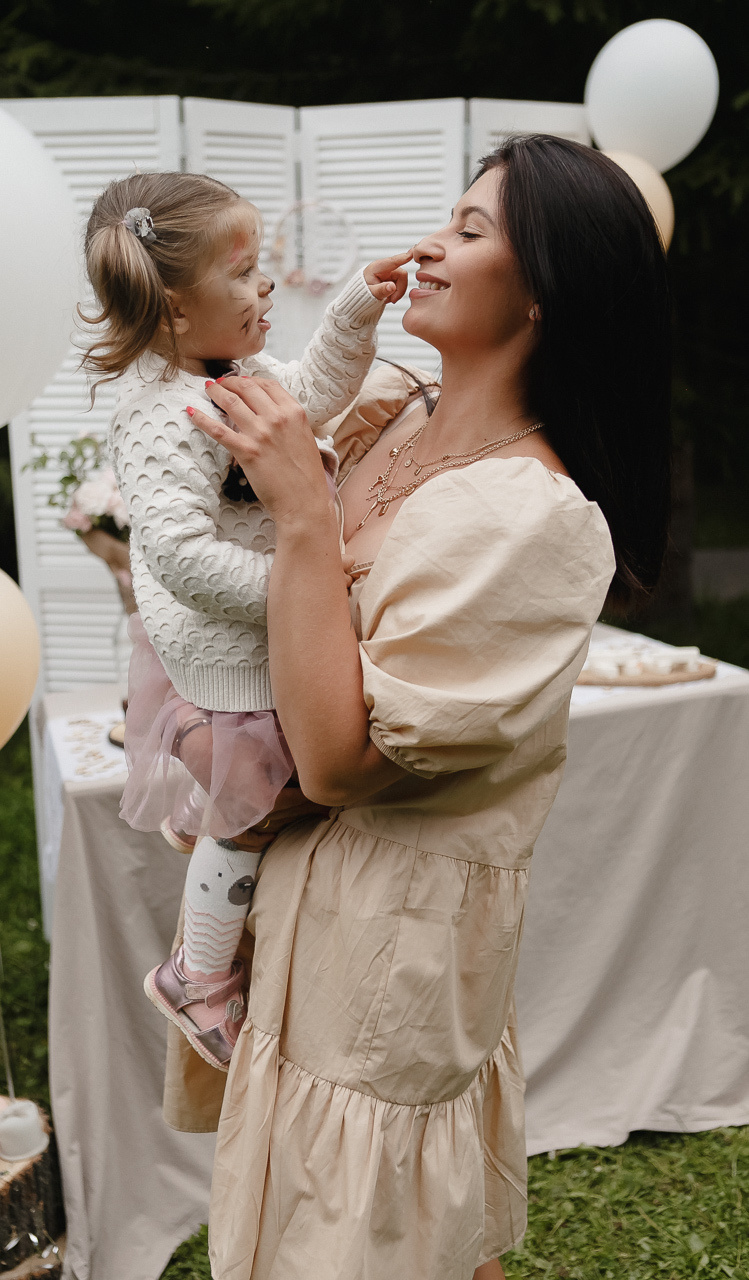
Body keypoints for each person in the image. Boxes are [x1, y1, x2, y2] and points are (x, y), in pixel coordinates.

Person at [174, 134, 671, 1280]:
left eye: (468, 230)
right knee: (363, 1223)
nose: (429, 250)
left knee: (369, 1227)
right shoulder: (392, 413)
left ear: (544, 292)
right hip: (304, 900)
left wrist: (306, 515)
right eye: (445, 221)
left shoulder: (533, 518)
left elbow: (342, 758)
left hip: (385, 942)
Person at [81, 171, 409, 1071]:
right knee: (252, 818)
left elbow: (310, 394)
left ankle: (217, 862)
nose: (266, 285)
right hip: (232, 650)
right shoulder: (158, 419)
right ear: (178, 311)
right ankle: (196, 974)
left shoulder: (235, 367)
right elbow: (183, 559)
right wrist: (300, 586)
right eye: (247, 272)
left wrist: (353, 312)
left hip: (266, 624)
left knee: (262, 798)